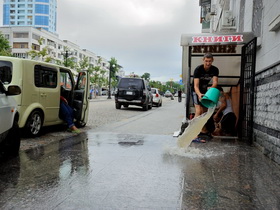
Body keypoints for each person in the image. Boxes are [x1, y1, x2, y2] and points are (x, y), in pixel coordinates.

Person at [191, 52, 219, 143]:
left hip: (205, 91)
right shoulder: (198, 69)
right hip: (196, 91)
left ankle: (203, 130)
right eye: (206, 61)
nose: (208, 63)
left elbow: (215, 82)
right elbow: (195, 86)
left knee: (204, 112)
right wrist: (199, 94)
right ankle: (193, 135)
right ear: (203, 60)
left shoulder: (215, 69)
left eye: (210, 61)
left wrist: (211, 88)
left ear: (213, 61)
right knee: (198, 111)